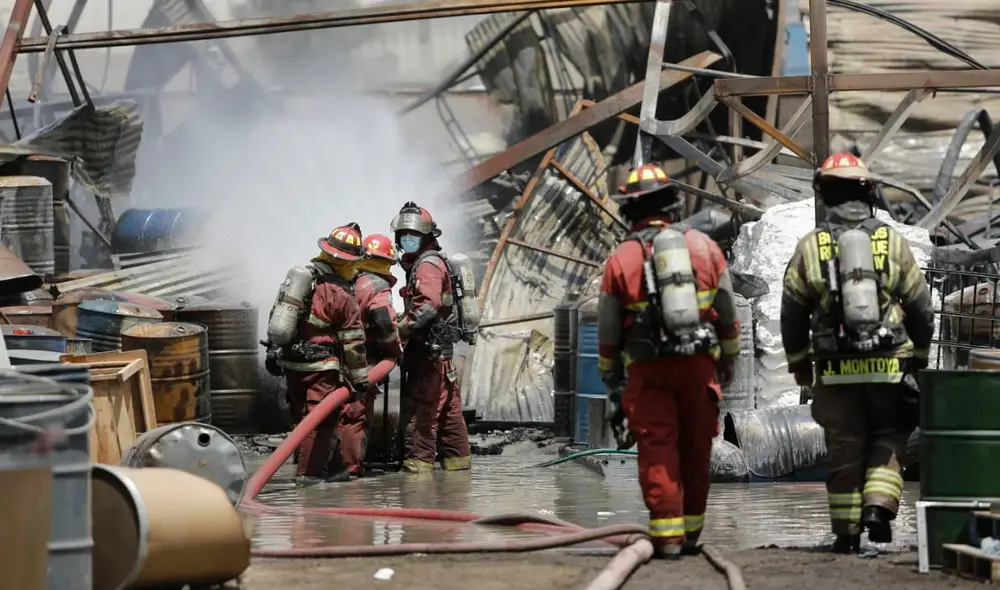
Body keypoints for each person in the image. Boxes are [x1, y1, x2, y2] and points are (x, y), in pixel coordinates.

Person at [780, 152, 934, 553]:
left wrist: (798, 363)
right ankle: (879, 507)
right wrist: (918, 356)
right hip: (889, 366)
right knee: (889, 439)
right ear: (869, 193)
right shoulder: (891, 242)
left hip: (834, 370)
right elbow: (919, 306)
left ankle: (846, 536)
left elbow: (792, 311)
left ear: (824, 193)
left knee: (845, 449)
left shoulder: (811, 247)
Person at [597, 163, 739, 558]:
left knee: (658, 449)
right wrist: (729, 360)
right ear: (674, 203)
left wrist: (611, 377)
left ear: (630, 209)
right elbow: (727, 311)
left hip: (649, 371)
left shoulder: (622, 259)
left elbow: (608, 331)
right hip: (698, 366)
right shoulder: (705, 247)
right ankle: (692, 536)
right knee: (696, 450)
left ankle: (667, 539)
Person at [275, 222, 370, 487]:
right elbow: (353, 343)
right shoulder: (340, 294)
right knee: (320, 422)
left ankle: (335, 470)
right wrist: (361, 380)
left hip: (292, 364)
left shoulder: (304, 281)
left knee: (302, 420)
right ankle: (309, 478)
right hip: (321, 368)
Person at [390, 201, 471, 473]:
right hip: (441, 353)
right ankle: (457, 474)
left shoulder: (427, 265)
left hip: (429, 353)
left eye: (411, 236)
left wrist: (400, 330)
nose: (406, 240)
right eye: (402, 236)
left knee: (424, 412)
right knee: (449, 412)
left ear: (426, 237)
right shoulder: (431, 262)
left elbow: (427, 306)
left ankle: (417, 472)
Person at [327, 234, 403, 480]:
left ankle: (326, 468)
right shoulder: (378, 286)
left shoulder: (349, 280)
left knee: (334, 413)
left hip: (333, 359)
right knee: (355, 416)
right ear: (388, 262)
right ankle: (349, 471)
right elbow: (383, 320)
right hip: (361, 361)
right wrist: (395, 351)